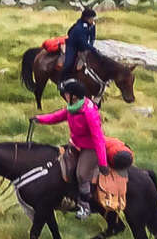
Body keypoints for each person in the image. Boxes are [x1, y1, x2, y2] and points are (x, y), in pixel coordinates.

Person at [35, 78, 112, 217]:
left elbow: (98, 138)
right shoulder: (73, 107)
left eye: (66, 93)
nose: (64, 95)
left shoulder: (89, 112)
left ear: (73, 96)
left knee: (81, 175)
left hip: (91, 148)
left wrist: (102, 162)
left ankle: (85, 207)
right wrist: (39, 119)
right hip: (76, 145)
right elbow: (57, 116)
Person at [61, 5, 97, 79]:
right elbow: (83, 42)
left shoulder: (92, 25)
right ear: (86, 18)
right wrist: (92, 49)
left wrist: (91, 45)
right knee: (69, 63)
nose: (93, 20)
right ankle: (62, 80)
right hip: (73, 45)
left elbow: (92, 37)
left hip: (84, 45)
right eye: (92, 18)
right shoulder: (79, 28)